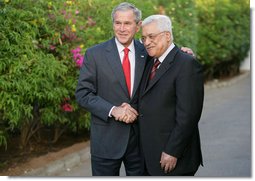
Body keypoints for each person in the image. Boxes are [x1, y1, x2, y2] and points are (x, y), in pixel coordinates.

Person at [75, 2, 194, 176]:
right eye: (118, 23)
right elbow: (83, 94)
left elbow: (169, 61)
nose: (122, 28)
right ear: (113, 24)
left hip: (141, 141)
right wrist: (113, 110)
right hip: (106, 140)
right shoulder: (95, 54)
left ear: (138, 26)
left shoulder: (148, 52)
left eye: (128, 23)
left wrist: (182, 54)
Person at [138, 14, 204, 176]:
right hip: (148, 157)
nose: (146, 42)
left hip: (173, 157)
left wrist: (173, 151)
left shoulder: (186, 64)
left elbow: (188, 115)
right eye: (143, 38)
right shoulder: (150, 61)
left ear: (167, 35)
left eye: (151, 36)